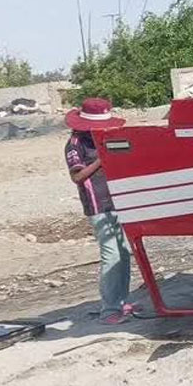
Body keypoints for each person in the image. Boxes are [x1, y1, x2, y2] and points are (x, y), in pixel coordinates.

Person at [64, 97, 136, 325]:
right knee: (111, 254)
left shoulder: (103, 138)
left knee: (123, 252)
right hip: (97, 203)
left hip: (116, 200)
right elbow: (77, 176)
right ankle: (109, 309)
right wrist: (100, 161)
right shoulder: (75, 144)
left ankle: (121, 301)